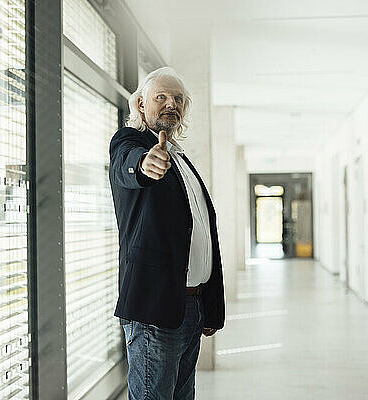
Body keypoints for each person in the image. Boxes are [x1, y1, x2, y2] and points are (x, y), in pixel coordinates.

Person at [108, 66, 225, 399]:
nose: (171, 103)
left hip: (190, 304)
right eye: (161, 96)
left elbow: (202, 232)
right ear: (142, 105)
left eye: (178, 98)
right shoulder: (130, 142)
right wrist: (145, 165)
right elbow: (127, 165)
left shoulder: (182, 157)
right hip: (155, 308)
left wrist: (209, 304)